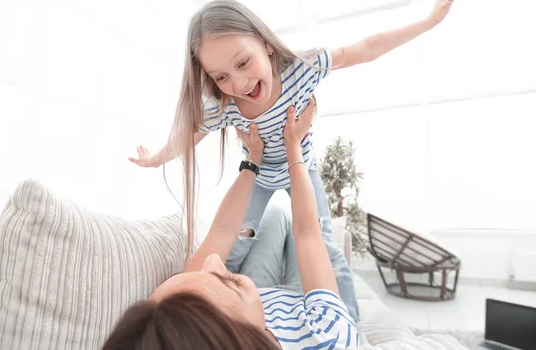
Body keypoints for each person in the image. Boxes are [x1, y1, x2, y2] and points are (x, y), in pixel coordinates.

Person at [128, 0, 457, 325]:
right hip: (259, 177)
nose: (240, 83)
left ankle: (351, 327)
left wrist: (428, 22)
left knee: (326, 246)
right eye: (222, 76)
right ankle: (221, 316)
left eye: (243, 62)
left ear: (266, 43)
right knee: (237, 245)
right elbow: (188, 136)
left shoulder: (303, 68)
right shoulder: (223, 106)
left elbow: (367, 48)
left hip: (305, 170)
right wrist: (154, 159)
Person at [105, 102, 360, 349]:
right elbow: (308, 232)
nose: (213, 260)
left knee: (275, 214)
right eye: (228, 280)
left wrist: (254, 159)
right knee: (291, 221)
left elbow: (222, 232)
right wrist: (293, 146)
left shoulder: (180, 318)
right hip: (304, 309)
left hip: (265, 302)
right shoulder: (329, 334)